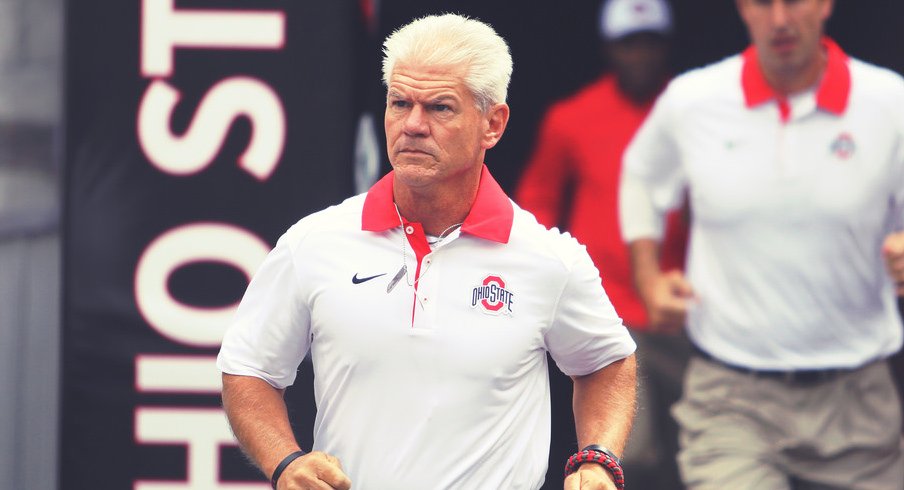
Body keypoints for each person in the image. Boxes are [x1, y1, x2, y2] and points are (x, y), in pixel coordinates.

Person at [217, 13, 638, 490]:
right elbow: (248, 366)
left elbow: (607, 360)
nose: (412, 125)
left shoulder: (548, 259)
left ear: (492, 125)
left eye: (440, 108)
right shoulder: (313, 243)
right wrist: (285, 462)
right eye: (400, 103)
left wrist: (598, 457)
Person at [619, 0, 904, 488]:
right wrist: (647, 276)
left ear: (826, 4)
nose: (779, 20)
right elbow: (642, 175)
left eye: (793, 1)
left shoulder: (889, 101)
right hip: (730, 397)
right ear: (741, 8)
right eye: (762, 3)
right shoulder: (694, 100)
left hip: (858, 404)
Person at [515, 1, 688, 488]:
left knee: (703, 446)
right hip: (609, 307)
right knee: (630, 456)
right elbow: (537, 204)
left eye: (650, 42)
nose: (641, 55)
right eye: (629, 43)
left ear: (666, 44)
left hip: (686, 307)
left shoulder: (691, 111)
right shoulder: (572, 118)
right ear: (610, 49)